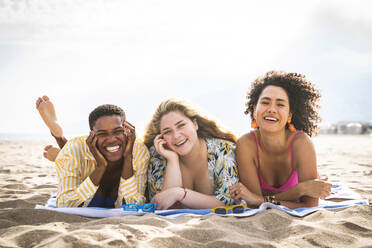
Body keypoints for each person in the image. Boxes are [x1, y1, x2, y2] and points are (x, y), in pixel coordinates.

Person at [229, 71, 332, 209]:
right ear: (254, 110)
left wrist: (259, 199)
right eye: (265, 102)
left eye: (280, 104)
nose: (272, 109)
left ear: (289, 114)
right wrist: (300, 189)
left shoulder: (301, 143)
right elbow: (254, 203)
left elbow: (309, 205)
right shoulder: (246, 144)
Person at [35, 96, 150, 208]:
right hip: (91, 195)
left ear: (127, 129)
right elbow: (65, 205)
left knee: (72, 154)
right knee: (72, 152)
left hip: (111, 192)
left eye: (118, 131)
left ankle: (60, 153)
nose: (111, 139)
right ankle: (59, 138)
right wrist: (100, 166)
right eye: (102, 133)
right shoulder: (74, 148)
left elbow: (135, 205)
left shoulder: (138, 150)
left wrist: (128, 157)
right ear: (92, 134)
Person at [143, 99, 240, 210]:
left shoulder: (223, 149)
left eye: (181, 125)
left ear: (195, 124)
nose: (176, 136)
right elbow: (164, 207)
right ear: (161, 137)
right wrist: (172, 160)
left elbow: (229, 202)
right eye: (167, 131)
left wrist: (180, 194)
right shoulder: (158, 157)